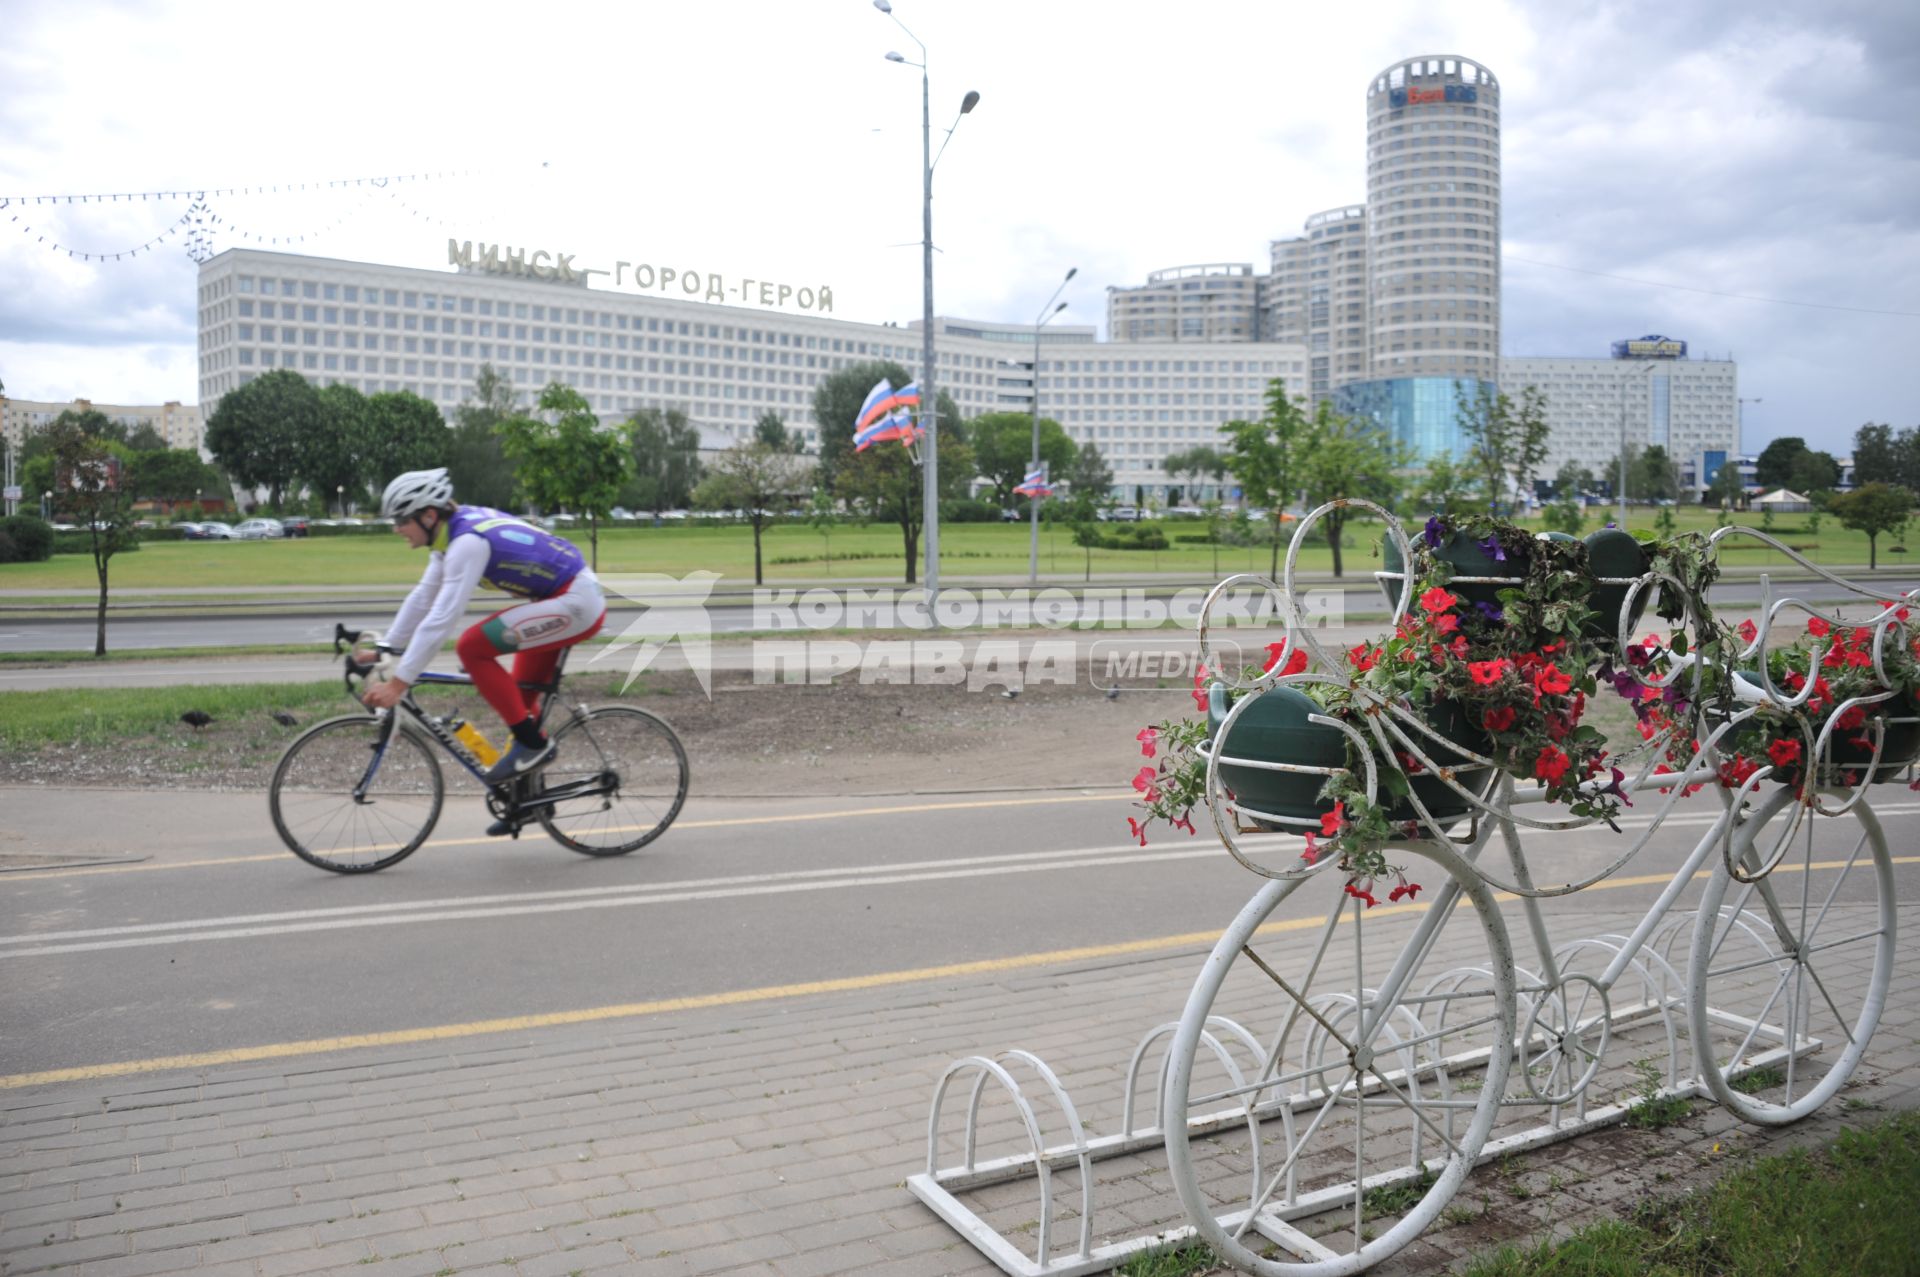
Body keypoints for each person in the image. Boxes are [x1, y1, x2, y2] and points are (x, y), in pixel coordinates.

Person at [362, 468, 606, 788]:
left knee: (472, 647)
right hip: (559, 597)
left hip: (576, 602)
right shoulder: (448, 538)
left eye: (401, 520)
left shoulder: (467, 544)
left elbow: (440, 620)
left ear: (429, 515)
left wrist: (398, 684)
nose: (397, 529)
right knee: (517, 702)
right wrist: (387, 647)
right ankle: (529, 800)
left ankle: (533, 745)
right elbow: (423, 598)